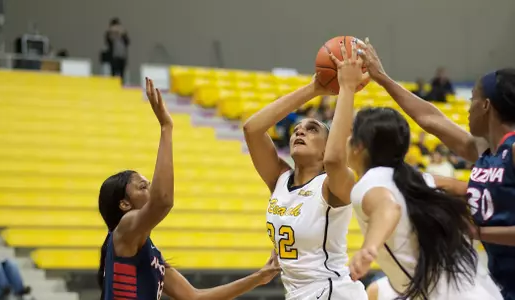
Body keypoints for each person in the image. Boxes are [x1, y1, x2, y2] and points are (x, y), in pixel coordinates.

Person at [358, 37, 515, 300]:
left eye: (473, 98)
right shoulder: (486, 151)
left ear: (486, 106)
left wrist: (478, 231)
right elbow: (430, 119)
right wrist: (382, 78)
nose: (468, 107)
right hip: (501, 278)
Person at [97, 78, 280, 300]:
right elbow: (162, 201)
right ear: (124, 204)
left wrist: (258, 277)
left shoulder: (148, 251)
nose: (151, 189)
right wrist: (166, 127)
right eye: (143, 186)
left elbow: (194, 297)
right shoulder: (124, 228)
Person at [242, 38, 367, 300]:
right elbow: (252, 129)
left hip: (333, 292)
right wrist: (313, 88)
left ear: (326, 149)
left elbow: (335, 160)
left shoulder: (333, 186)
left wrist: (347, 88)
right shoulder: (279, 178)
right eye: (297, 129)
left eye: (312, 130)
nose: (300, 131)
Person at [105, 18, 130, 83]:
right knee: (113, 74)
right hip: (114, 57)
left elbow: (128, 42)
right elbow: (108, 42)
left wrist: (122, 34)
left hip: (122, 56)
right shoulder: (109, 34)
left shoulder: (123, 34)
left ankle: (121, 86)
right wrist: (112, 34)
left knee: (122, 75)